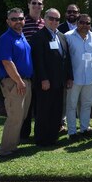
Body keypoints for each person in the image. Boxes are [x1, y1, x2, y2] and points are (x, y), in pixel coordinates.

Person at [31, 8, 72, 146]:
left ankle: (53, 137)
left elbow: (66, 59)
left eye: (57, 19)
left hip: (59, 82)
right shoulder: (39, 36)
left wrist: (69, 77)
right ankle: (41, 139)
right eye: (51, 18)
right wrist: (43, 79)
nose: (54, 21)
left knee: (56, 110)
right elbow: (38, 61)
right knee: (43, 111)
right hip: (46, 82)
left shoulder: (61, 36)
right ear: (45, 19)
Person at [0, 8, 33, 157]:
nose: (18, 21)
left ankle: (13, 146)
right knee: (15, 116)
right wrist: (19, 81)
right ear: (8, 21)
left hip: (24, 81)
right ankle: (5, 150)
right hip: (14, 82)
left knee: (21, 116)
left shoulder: (21, 36)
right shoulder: (6, 38)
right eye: (14, 19)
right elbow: (6, 62)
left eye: (20, 18)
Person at [64, 14, 92, 140]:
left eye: (88, 23)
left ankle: (84, 128)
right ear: (77, 23)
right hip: (73, 78)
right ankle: (72, 132)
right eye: (82, 22)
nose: (85, 25)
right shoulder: (68, 37)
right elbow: (64, 58)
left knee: (87, 104)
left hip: (90, 77)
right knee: (71, 105)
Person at [20, 0, 44, 141]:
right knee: (26, 105)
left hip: (41, 71)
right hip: (27, 70)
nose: (36, 6)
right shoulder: (22, 23)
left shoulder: (44, 23)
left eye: (39, 4)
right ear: (28, 5)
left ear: (43, 6)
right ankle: (24, 135)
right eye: (33, 3)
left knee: (39, 104)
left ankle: (39, 133)